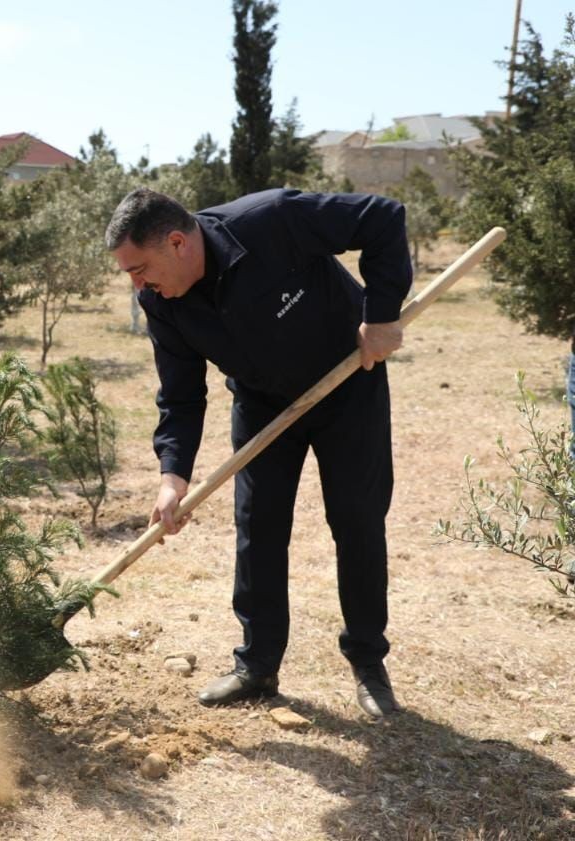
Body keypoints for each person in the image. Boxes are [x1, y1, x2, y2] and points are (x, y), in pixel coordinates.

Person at [105, 188, 411, 718]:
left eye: (139, 269)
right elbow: (180, 394)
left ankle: (368, 662)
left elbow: (382, 218)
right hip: (262, 403)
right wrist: (172, 476)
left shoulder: (273, 221)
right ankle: (258, 666)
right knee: (259, 527)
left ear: (177, 242)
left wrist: (380, 315)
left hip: (347, 386)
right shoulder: (161, 302)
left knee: (357, 520)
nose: (137, 285)